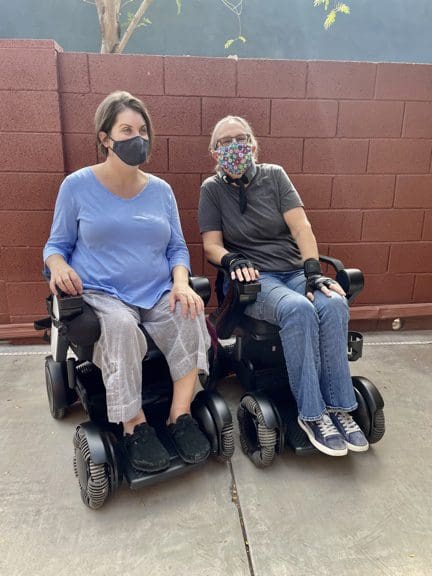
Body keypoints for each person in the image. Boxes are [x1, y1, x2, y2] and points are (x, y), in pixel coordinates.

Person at [44, 91, 211, 473]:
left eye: (142, 130)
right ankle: (134, 425)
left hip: (154, 289)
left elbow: (177, 248)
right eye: (126, 129)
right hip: (103, 292)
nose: (137, 137)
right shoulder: (77, 186)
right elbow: (56, 245)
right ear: (105, 138)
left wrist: (181, 284)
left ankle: (179, 416)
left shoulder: (161, 191)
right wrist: (56, 266)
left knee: (187, 314)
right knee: (119, 328)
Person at [198, 115, 369, 457]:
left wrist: (311, 272)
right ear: (214, 153)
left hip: (293, 271)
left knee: (334, 303)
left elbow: (301, 227)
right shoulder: (211, 190)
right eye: (224, 142)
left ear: (254, 145)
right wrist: (232, 260)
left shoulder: (275, 176)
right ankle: (312, 414)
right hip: (255, 280)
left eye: (240, 138)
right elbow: (211, 245)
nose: (234, 147)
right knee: (299, 308)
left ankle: (338, 407)